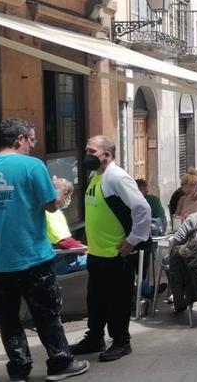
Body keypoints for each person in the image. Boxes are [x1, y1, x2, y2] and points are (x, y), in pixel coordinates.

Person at [0, 119, 88, 381]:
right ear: (19, 139)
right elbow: (51, 206)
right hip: (32, 256)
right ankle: (60, 364)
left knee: (9, 321)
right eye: (31, 140)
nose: (32, 145)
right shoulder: (32, 166)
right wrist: (59, 191)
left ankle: (19, 370)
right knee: (47, 315)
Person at [71, 135, 151, 362]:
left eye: (91, 152)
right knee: (95, 300)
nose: (86, 156)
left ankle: (121, 342)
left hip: (117, 254)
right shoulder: (97, 176)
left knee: (117, 301)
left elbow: (141, 208)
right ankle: (95, 337)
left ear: (106, 155)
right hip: (97, 253)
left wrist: (134, 239)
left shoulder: (117, 177)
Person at [47, 179, 88, 276]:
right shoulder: (52, 213)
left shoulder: (51, 210)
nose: (69, 198)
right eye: (67, 195)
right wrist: (85, 250)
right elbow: (64, 241)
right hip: (61, 261)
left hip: (58, 256)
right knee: (99, 261)